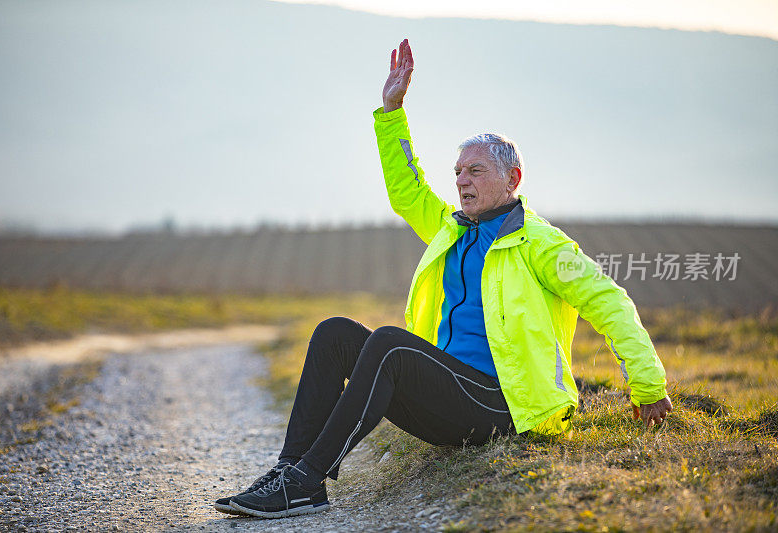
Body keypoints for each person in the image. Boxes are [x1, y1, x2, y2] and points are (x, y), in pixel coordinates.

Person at [214, 38, 672, 519]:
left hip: (505, 404)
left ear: (513, 179)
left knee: (391, 344)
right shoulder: (452, 230)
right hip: (450, 395)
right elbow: (408, 190)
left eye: (475, 170)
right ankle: (290, 474)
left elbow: (610, 301)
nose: (461, 181)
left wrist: (647, 386)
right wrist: (392, 111)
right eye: (457, 172)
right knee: (333, 334)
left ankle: (307, 480)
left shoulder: (543, 244)